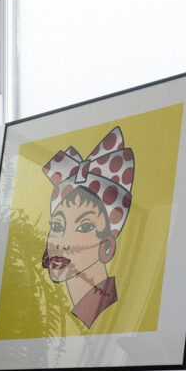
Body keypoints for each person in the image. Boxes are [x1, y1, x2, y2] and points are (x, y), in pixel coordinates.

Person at [40, 126, 134, 329]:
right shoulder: (76, 317)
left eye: (83, 227)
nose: (61, 243)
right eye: (57, 225)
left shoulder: (109, 316)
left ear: (107, 247)